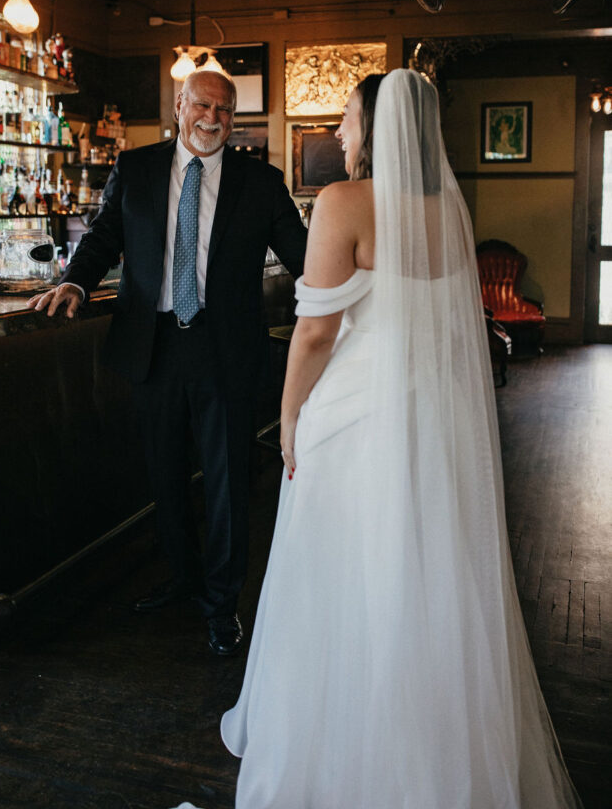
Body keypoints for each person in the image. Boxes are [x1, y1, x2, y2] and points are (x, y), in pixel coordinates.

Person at [215, 69, 582, 807]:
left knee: (335, 572)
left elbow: (316, 332)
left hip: (351, 411)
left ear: (377, 127)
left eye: (348, 119)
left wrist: (288, 418)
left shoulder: (343, 202)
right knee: (416, 569)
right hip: (426, 411)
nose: (340, 133)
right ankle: (426, 743)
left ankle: (332, 741)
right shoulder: (449, 209)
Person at [28, 71, 306, 656]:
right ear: (180, 105)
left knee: (228, 480)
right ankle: (182, 579)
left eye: (226, 110)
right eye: (203, 104)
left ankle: (221, 604)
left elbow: (307, 260)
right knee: (165, 474)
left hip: (225, 348)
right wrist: (77, 281)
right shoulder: (137, 168)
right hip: (152, 343)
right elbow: (103, 238)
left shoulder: (260, 181)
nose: (214, 118)